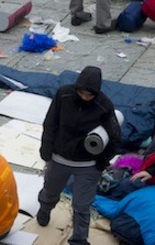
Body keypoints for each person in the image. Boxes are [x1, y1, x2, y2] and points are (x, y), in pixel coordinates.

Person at [37, 67, 121, 244]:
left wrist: (102, 161)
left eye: (89, 95)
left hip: (88, 165)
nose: (84, 97)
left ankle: (79, 239)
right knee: (50, 192)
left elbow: (115, 136)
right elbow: (50, 122)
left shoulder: (104, 105)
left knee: (82, 205)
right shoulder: (63, 95)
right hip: (60, 157)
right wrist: (46, 149)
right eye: (81, 93)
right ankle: (45, 209)